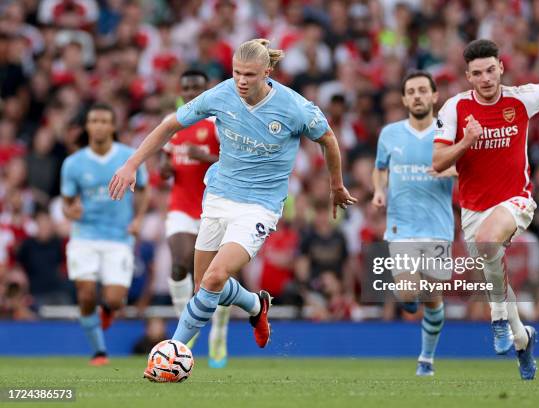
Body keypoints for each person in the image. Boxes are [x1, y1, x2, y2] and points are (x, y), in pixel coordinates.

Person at [107, 38, 356, 381]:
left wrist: (336, 184)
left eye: (250, 75)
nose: (241, 80)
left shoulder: (294, 107)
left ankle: (171, 355)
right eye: (237, 73)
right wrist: (131, 164)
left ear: (267, 72)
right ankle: (256, 305)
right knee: (203, 288)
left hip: (259, 207)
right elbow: (169, 125)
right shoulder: (222, 94)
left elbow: (327, 138)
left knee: (213, 278)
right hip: (219, 197)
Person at [432, 39, 539, 380]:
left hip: (516, 198)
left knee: (487, 245)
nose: (485, 78)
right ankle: (522, 338)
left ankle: (497, 317)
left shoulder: (521, 98)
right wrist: (467, 141)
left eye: (490, 70)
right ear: (468, 76)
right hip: (473, 208)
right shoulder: (455, 108)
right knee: (490, 260)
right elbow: (438, 162)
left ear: (501, 68)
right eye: (477, 73)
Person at [372, 71, 455, 376]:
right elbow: (380, 168)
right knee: (408, 291)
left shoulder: (448, 133)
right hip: (401, 226)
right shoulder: (390, 134)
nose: (417, 95)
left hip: (438, 226)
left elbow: (469, 167)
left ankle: (427, 359)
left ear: (435, 96)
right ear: (405, 99)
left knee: (433, 299)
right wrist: (380, 190)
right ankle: (409, 300)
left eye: (423, 90)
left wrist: (453, 171)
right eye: (411, 91)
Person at [61, 103, 150, 366]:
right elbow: (67, 203)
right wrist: (71, 211)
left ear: (112, 126)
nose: (98, 125)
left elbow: (144, 189)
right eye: (94, 121)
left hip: (118, 237)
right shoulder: (73, 163)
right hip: (84, 235)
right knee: (86, 294)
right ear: (87, 126)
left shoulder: (129, 157)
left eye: (103, 121)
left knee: (114, 298)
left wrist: (138, 218)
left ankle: (109, 309)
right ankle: (99, 351)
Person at [160, 69, 230, 368]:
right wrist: (165, 170)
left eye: (196, 88)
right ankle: (185, 326)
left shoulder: (217, 124)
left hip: (214, 208)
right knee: (179, 264)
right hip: (180, 208)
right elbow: (166, 163)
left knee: (219, 276)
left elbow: (236, 161)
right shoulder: (173, 123)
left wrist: (206, 158)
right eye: (186, 87)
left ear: (206, 90)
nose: (190, 93)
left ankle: (219, 331)